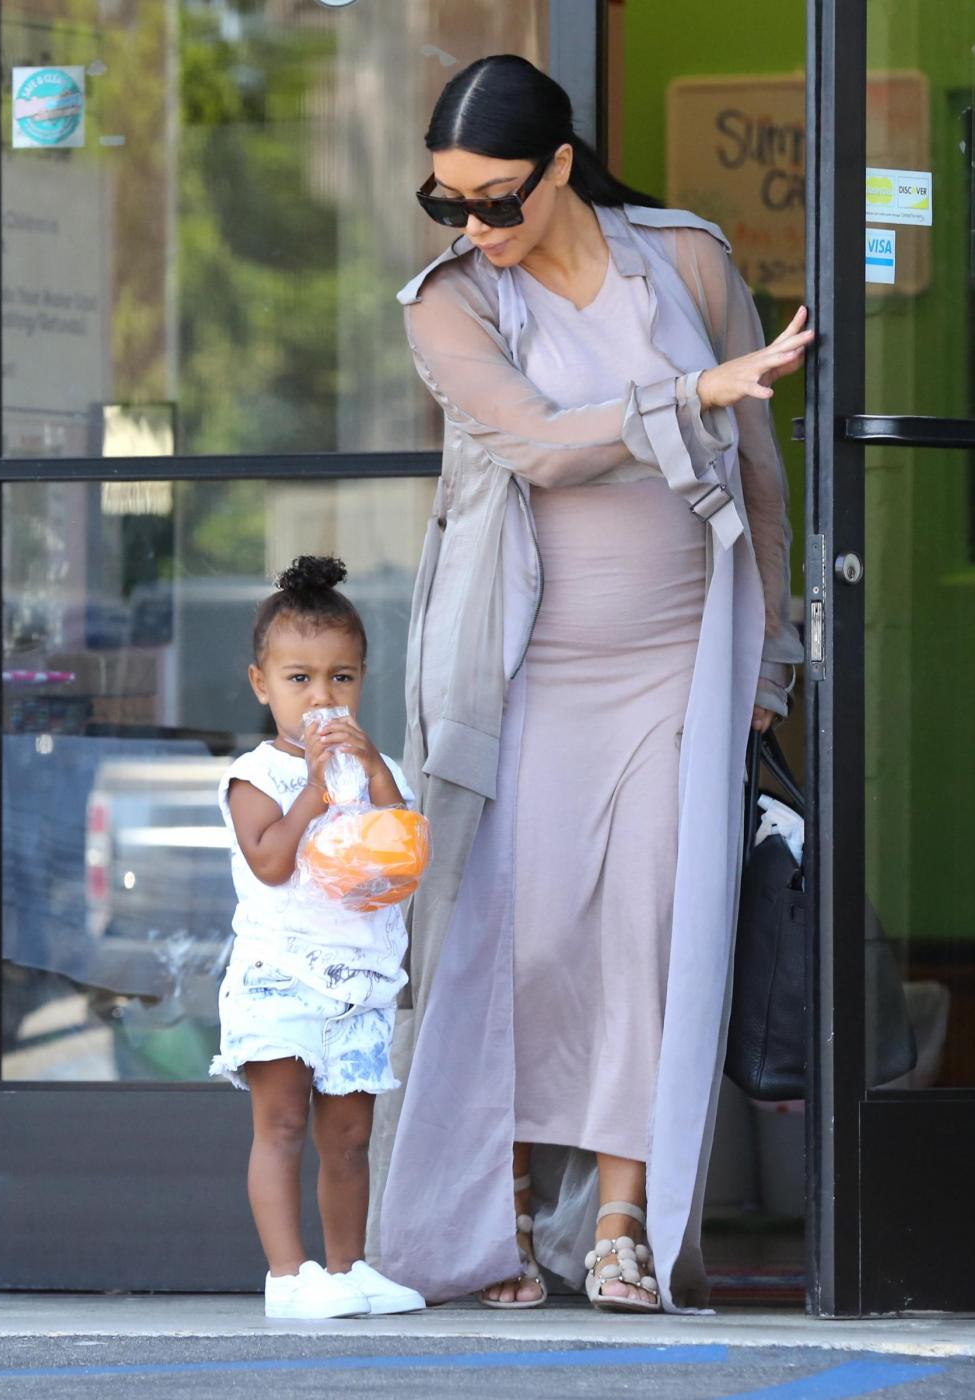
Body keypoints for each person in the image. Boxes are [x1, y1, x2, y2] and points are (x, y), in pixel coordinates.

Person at [371, 55, 808, 1313]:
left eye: (495, 198)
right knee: (521, 934)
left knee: (650, 929)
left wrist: (770, 654)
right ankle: (497, 1205)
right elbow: (537, 444)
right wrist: (689, 394)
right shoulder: (448, 302)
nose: (472, 225)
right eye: (446, 200)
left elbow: (761, 477)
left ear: (560, 165)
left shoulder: (685, 262)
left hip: (683, 652)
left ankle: (622, 1219)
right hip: (527, 664)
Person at [210, 556, 425, 1321]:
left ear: (362, 681)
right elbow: (270, 862)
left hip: (359, 985)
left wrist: (369, 772)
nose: (321, 697)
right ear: (261, 684)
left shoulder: (375, 768)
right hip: (279, 980)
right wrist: (312, 787)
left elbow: (403, 851)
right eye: (298, 679)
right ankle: (286, 1276)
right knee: (282, 1126)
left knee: (351, 1137)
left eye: (341, 678)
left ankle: (348, 1267)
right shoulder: (255, 776)